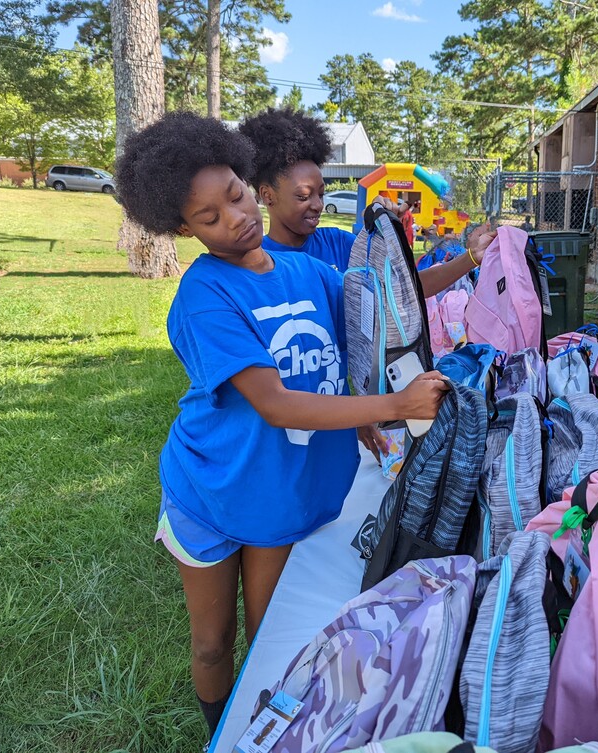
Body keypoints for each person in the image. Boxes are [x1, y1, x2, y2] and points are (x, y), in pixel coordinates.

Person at [113, 112, 448, 741]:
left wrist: (462, 261)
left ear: (248, 179)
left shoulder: (307, 272)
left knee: (272, 640)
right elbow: (275, 402)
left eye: (235, 196)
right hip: (212, 492)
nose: (234, 217)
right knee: (213, 644)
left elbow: (381, 304)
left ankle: (263, 733)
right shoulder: (206, 293)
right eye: (209, 217)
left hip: (281, 495)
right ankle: (219, 733)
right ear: (183, 227)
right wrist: (393, 407)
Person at [237, 108, 493, 297]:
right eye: (303, 196)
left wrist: (471, 257)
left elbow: (408, 286)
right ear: (268, 195)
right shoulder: (252, 263)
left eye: (321, 194)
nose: (317, 205)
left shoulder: (339, 245)